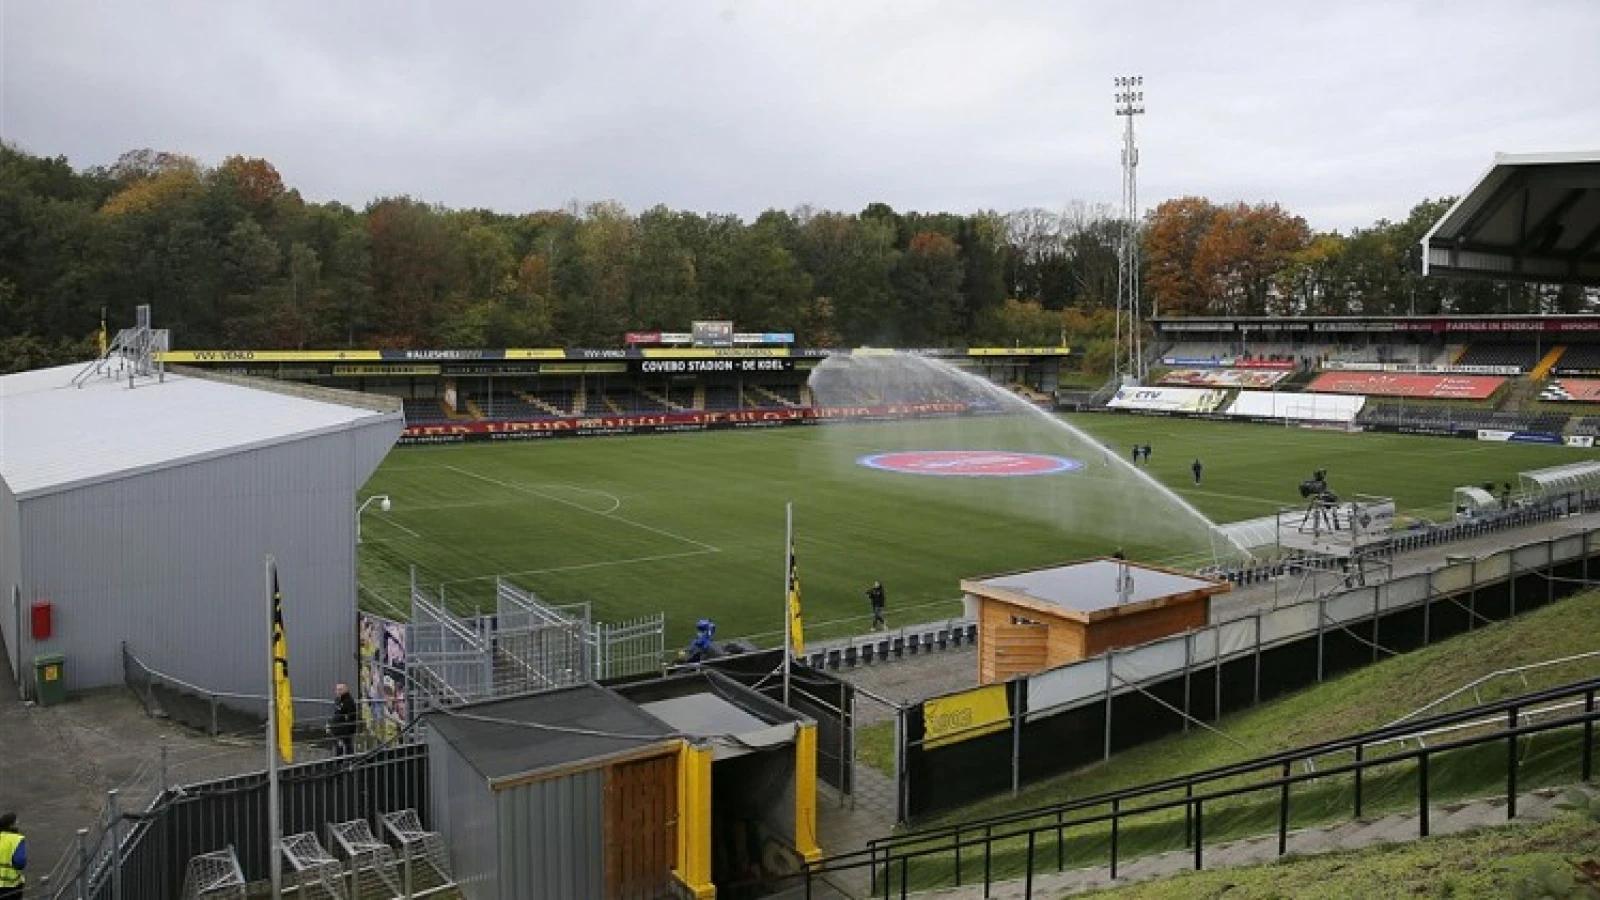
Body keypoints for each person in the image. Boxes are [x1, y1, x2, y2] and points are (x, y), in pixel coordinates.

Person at [329, 683, 360, 756]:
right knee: (338, 746)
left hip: (345, 730)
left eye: (340, 689)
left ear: (345, 690)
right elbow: (336, 713)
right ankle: (339, 762)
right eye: (337, 689)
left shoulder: (349, 702)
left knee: (347, 745)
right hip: (337, 728)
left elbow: (351, 717)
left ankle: (350, 761)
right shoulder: (337, 700)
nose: (338, 691)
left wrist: (347, 730)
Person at [0, 812, 24, 900]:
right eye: (16, 821)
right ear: (11, 825)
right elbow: (20, 862)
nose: (18, 823)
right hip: (12, 884)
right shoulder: (17, 839)